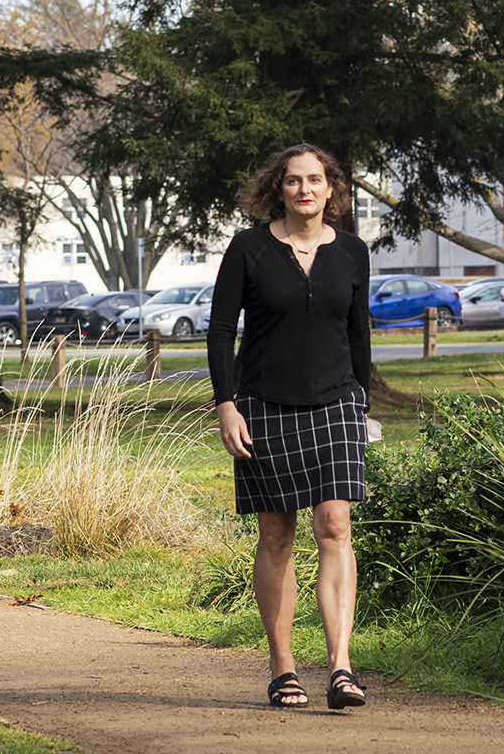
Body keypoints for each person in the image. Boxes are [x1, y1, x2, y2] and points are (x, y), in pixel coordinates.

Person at [207, 143, 372, 711]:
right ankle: (282, 669)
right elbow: (221, 329)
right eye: (294, 181)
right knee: (276, 535)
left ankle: (341, 669)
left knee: (335, 526)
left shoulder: (352, 251)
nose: (306, 189)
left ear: (332, 190)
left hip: (336, 406)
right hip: (263, 406)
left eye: (316, 180)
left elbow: (358, 334)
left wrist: (363, 402)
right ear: (278, 188)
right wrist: (227, 405)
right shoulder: (249, 248)